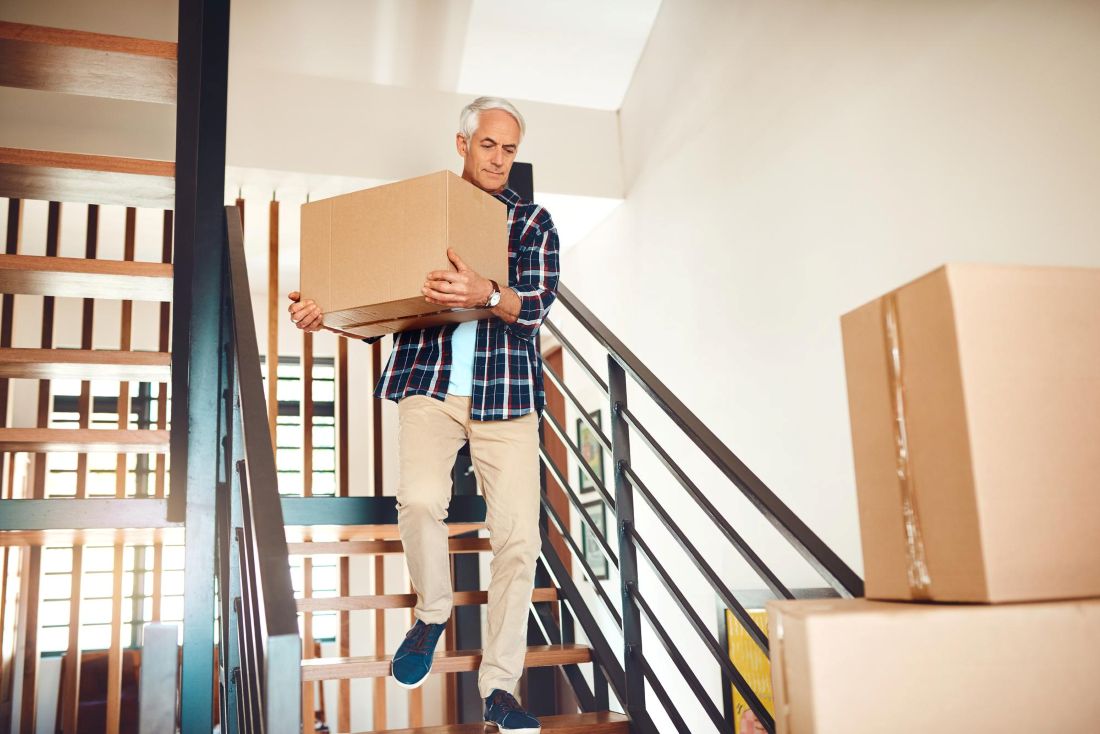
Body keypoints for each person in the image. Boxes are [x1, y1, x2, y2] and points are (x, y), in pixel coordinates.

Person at [288, 96, 559, 734]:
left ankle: (499, 688)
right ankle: (432, 613)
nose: (498, 159)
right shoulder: (419, 213)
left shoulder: (532, 221)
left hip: (507, 395)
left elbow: (539, 302)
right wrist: (322, 314)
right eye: (488, 145)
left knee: (519, 539)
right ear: (462, 144)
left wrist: (489, 293)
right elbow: (374, 301)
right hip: (429, 384)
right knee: (418, 499)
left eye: (509, 149)